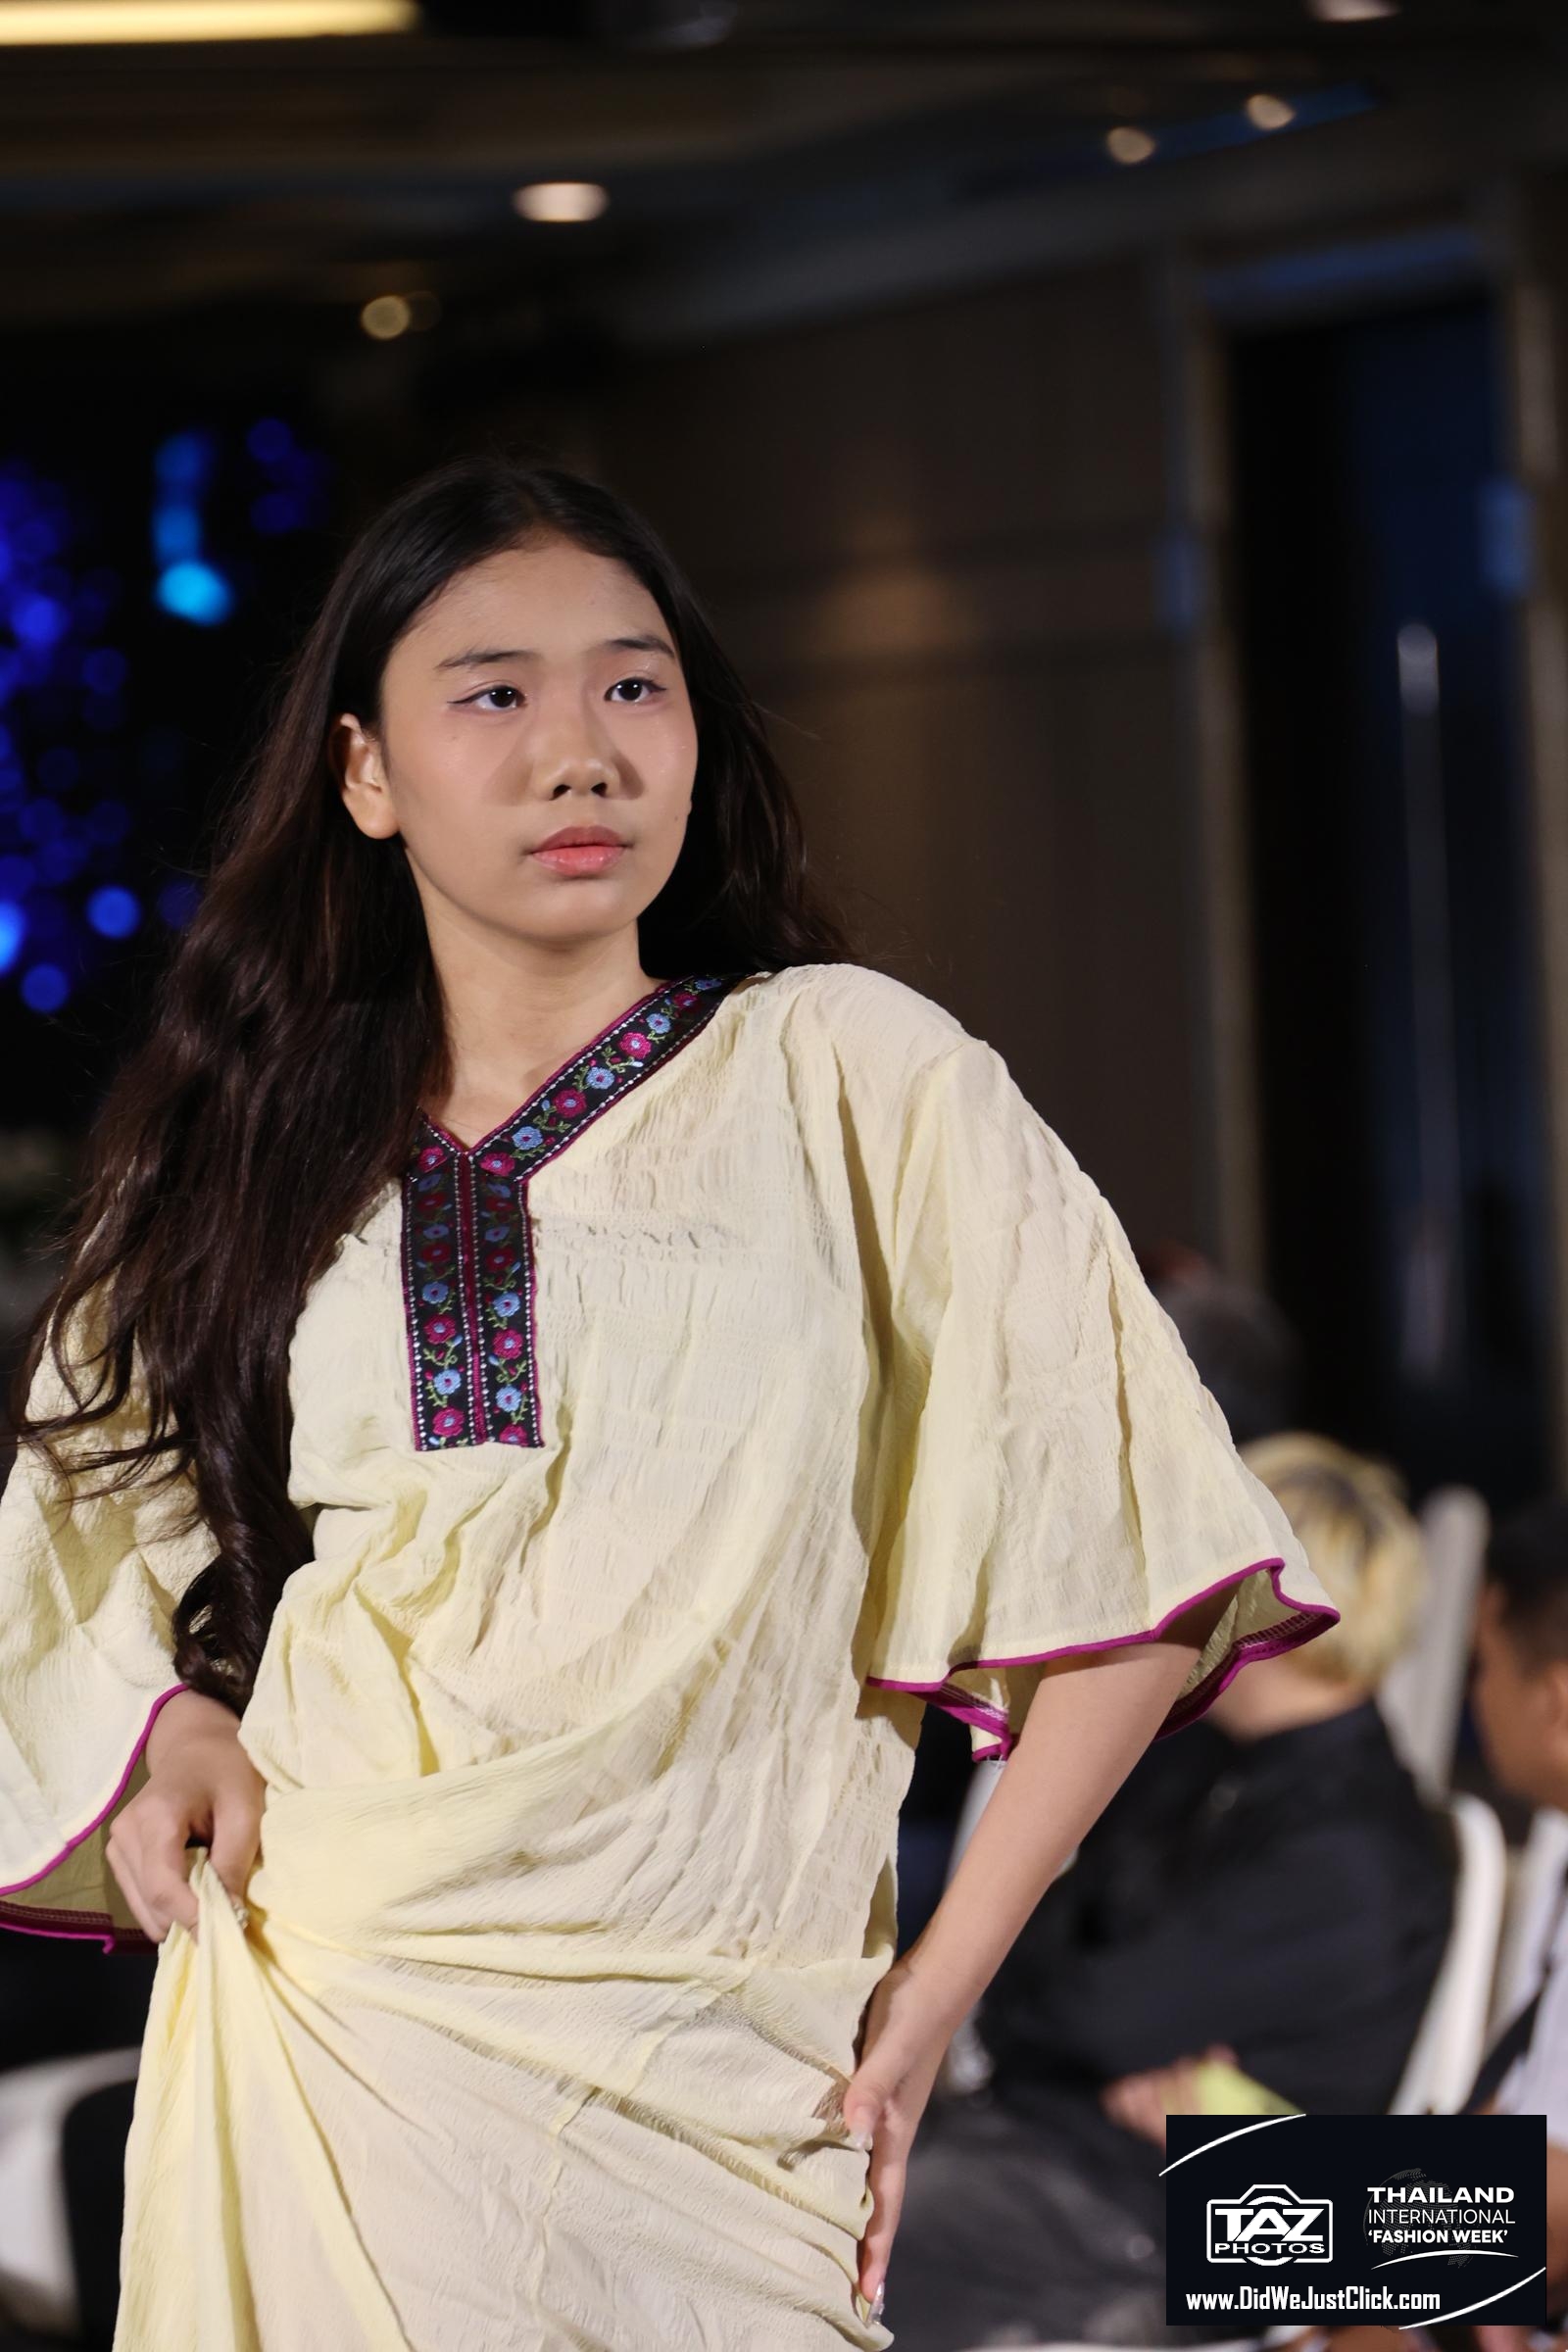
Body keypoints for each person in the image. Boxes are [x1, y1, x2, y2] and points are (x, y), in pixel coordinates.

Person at [0, 451, 1339, 2352]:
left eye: (633, 685)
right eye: (493, 695)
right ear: (364, 772)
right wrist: (172, 1732)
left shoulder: (855, 1076)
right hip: (341, 2010)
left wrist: (934, 1994)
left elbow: (1139, 1547)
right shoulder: (249, 1143)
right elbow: (86, 1511)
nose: (580, 753)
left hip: (736, 2072)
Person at [887, 1430, 1450, 2352]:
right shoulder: (1214, 1762)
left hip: (1163, 2219)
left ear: (1268, 1583)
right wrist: (1034, 1979)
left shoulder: (1350, 1846)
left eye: (1197, 1552)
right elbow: (1035, 1970)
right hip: (1045, 2147)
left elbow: (1086, 2011)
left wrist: (1038, 1978)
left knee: (809, 2259)